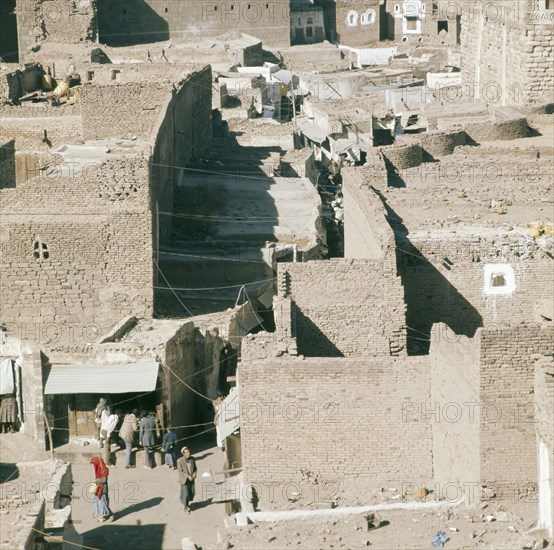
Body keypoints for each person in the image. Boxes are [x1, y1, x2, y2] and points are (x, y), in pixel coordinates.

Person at [90, 456, 113, 523]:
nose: (94, 465)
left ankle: (111, 515)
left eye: (94, 464)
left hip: (102, 490)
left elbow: (104, 480)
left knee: (103, 504)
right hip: (99, 489)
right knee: (100, 503)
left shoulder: (103, 469)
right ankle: (101, 517)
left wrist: (96, 481)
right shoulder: (99, 469)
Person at [177, 447, 197, 514]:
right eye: (187, 452)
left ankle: (187, 504)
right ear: (183, 453)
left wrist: (194, 474)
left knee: (191, 492)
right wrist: (187, 476)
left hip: (191, 479)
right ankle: (185, 507)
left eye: (189, 452)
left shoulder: (192, 459)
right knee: (185, 494)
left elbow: (195, 468)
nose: (189, 453)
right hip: (184, 480)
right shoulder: (179, 461)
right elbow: (180, 472)